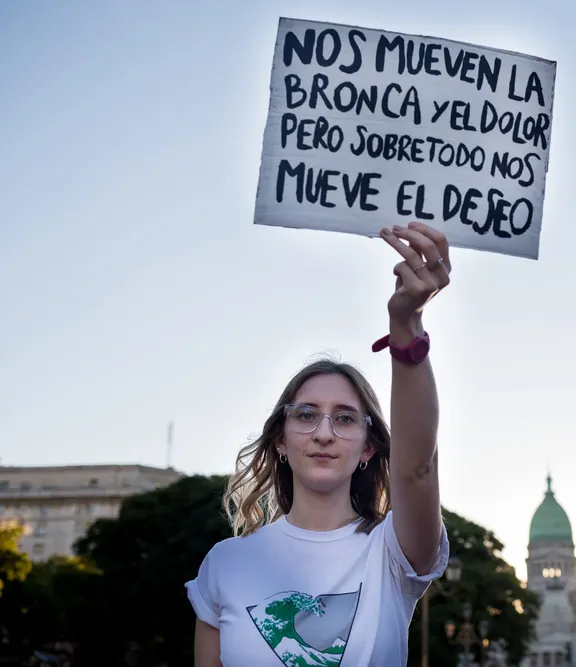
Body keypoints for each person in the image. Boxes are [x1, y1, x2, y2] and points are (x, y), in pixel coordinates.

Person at [186, 222, 453, 667]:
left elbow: (418, 469)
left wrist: (405, 326)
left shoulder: (392, 551)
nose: (324, 433)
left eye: (345, 418)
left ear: (368, 448)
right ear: (280, 440)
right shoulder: (225, 564)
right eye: (306, 415)